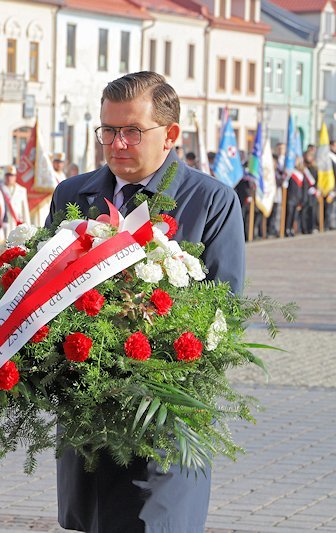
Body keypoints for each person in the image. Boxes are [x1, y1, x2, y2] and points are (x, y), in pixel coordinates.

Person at [47, 71, 245, 533]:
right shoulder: (72, 196)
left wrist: (145, 353)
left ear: (170, 135)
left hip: (161, 420)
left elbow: (225, 311)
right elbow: (43, 292)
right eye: (108, 130)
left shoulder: (210, 202)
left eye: (132, 131)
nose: (117, 143)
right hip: (87, 418)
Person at [1, 166, 30, 241]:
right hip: (4, 223)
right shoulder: (0, 189)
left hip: (16, 223)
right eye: (7, 175)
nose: (9, 178)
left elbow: (25, 211)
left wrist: (27, 226)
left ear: (15, 177)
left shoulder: (22, 190)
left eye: (11, 175)